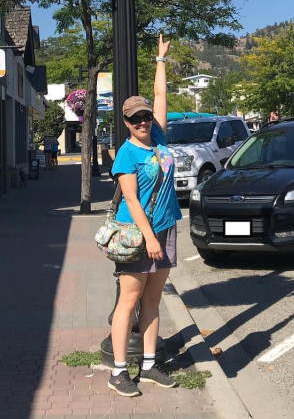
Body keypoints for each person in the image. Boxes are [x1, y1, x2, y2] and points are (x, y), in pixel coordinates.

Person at [108, 35, 182, 398]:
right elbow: (133, 201)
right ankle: (120, 371)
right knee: (129, 300)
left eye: (145, 115)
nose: (143, 120)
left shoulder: (160, 139)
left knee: (153, 300)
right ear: (126, 122)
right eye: (135, 118)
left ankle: (150, 365)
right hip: (139, 235)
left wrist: (160, 59)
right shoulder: (127, 154)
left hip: (166, 227)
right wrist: (150, 238)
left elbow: (161, 96)